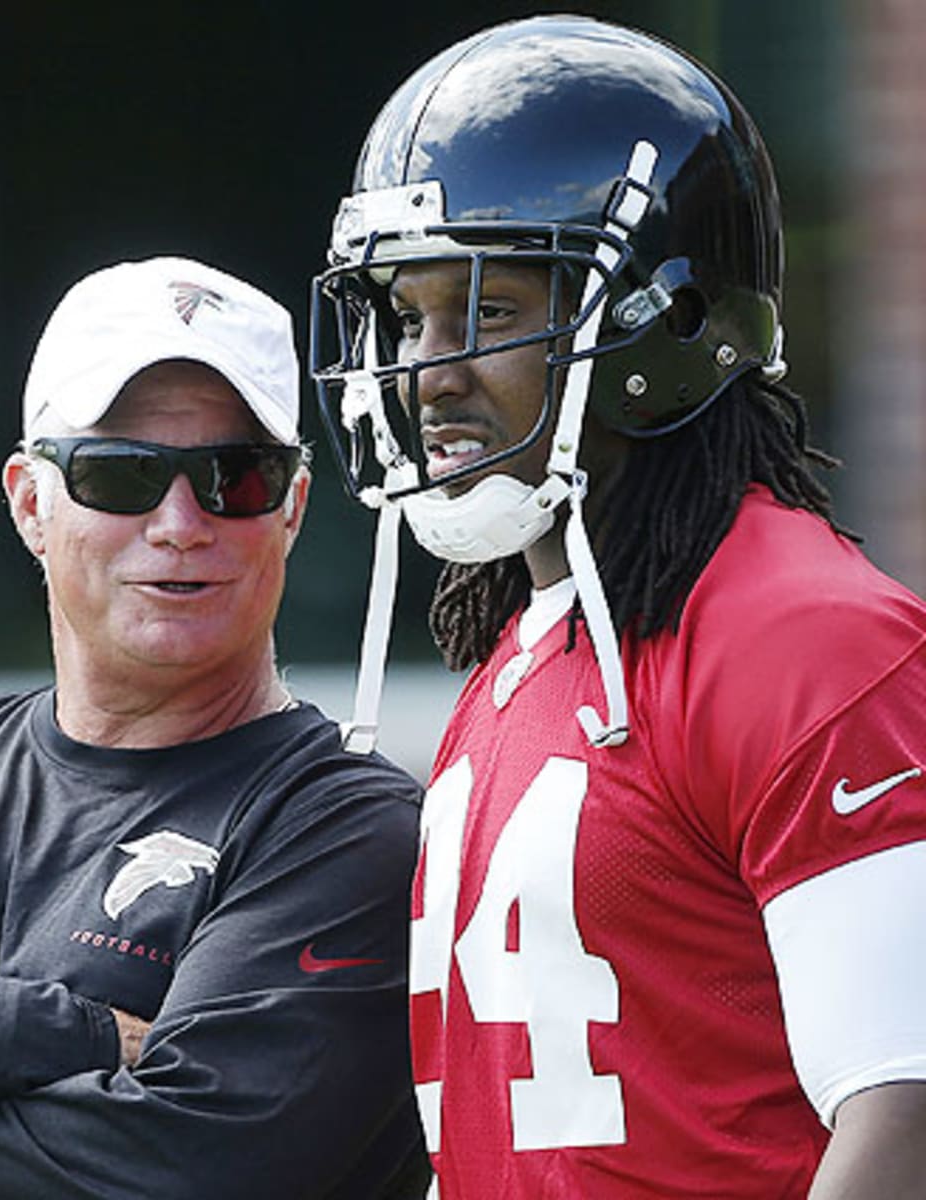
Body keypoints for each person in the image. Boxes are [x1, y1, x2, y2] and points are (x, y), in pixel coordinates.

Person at [310, 14, 926, 1199]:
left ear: (665, 319)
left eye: (487, 312)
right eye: (407, 316)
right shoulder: (525, 651)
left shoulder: (805, 640)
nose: (427, 370)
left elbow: (905, 1113)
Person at [0, 256, 429, 1199]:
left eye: (237, 477)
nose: (182, 522)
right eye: (120, 474)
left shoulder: (352, 829)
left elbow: (186, 1174)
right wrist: (47, 1029)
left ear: (293, 507)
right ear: (29, 502)